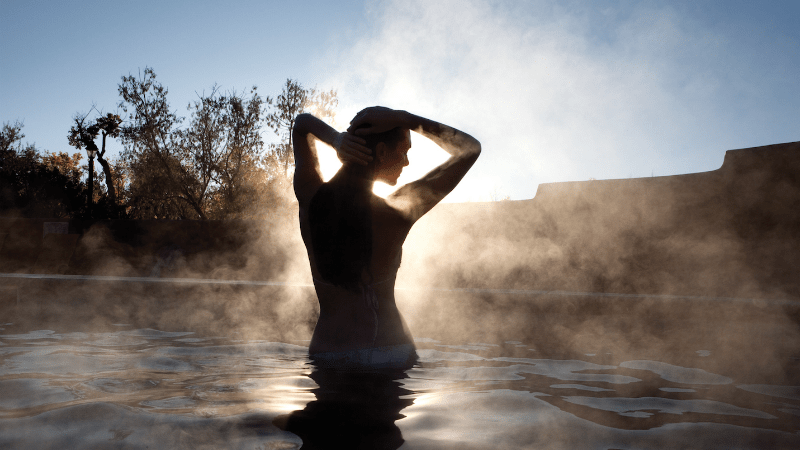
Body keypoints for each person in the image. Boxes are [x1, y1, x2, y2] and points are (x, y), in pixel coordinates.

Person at [292, 106, 480, 369]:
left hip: (329, 352)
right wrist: (407, 119)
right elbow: (470, 149)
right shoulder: (398, 211)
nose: (406, 162)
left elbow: (301, 124)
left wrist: (336, 139)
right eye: (404, 151)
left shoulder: (311, 197)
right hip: (389, 352)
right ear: (381, 152)